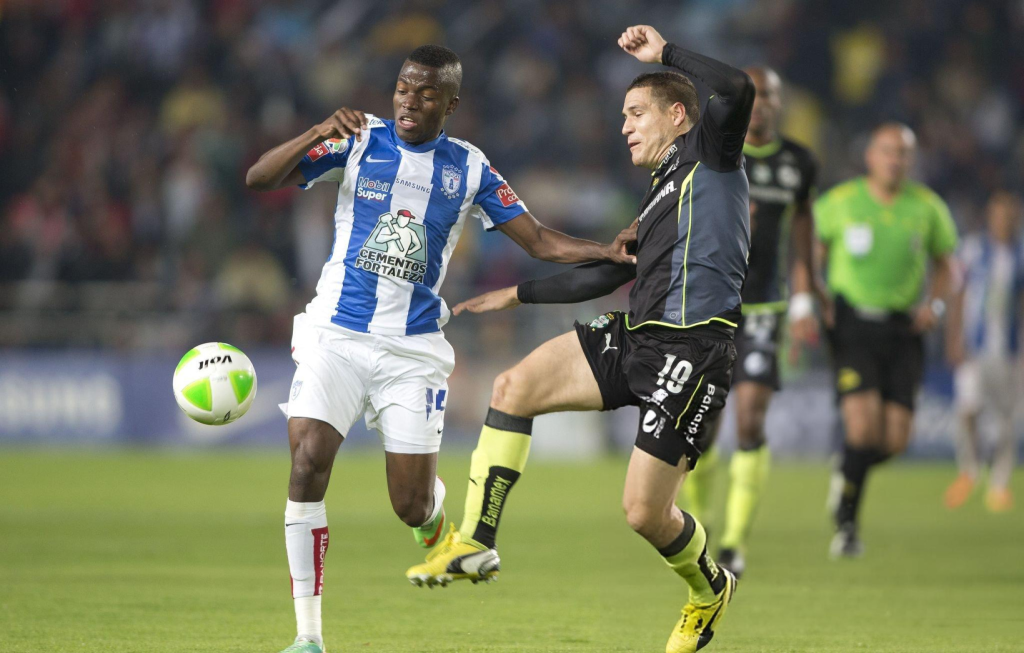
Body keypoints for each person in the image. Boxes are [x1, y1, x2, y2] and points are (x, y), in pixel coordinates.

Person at [245, 44, 636, 653]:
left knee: (410, 504)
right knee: (307, 460)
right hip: (336, 334)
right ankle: (308, 636)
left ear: (450, 104)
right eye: (403, 87)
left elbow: (536, 240)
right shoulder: (355, 141)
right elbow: (259, 178)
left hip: (412, 352)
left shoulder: (469, 168)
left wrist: (605, 252)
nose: (409, 100)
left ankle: (434, 518)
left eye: (427, 93)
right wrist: (318, 129)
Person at [405, 26, 753, 653]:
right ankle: (478, 543)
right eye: (622, 115)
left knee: (645, 514)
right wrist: (517, 293)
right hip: (637, 338)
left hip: (693, 350)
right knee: (513, 387)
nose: (624, 125)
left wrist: (665, 54)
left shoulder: (713, 157)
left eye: (636, 112)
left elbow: (737, 86)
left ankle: (709, 589)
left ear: (679, 115)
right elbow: (610, 271)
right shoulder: (657, 198)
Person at [681, 66, 820, 579]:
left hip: (766, 307)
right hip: (713, 306)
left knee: (752, 418)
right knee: (704, 427)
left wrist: (806, 297)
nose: (761, 107)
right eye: (755, 98)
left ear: (780, 105)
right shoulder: (715, 151)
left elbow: (804, 226)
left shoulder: (798, 163)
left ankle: (735, 542)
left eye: (771, 98)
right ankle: (703, 519)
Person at [817, 123, 957, 558]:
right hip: (854, 325)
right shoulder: (840, 202)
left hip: (903, 330)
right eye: (887, 151)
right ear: (870, 156)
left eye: (903, 153)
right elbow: (810, 254)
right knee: (862, 427)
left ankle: (847, 471)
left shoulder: (928, 207)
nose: (895, 160)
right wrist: (815, 300)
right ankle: (847, 525)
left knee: (894, 441)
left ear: (911, 161)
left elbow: (947, 265)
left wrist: (934, 307)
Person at [944, 191, 1023, 513]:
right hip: (973, 348)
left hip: (1008, 350)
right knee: (967, 410)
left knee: (1006, 420)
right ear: (989, 217)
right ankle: (969, 470)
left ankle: (999, 484)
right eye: (998, 215)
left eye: (1009, 215)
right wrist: (953, 337)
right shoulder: (973, 249)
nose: (1003, 221)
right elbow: (958, 293)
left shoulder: (1020, 254)